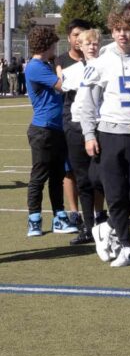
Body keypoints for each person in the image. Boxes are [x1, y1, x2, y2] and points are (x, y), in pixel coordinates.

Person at [79, 10, 130, 267]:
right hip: (110, 133)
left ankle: (108, 228)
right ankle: (126, 246)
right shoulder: (101, 62)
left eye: (128, 29)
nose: (123, 34)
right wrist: (89, 135)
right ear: (112, 32)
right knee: (115, 192)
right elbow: (88, 104)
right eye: (118, 30)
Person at [62, 28, 111, 251]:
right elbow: (68, 97)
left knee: (100, 177)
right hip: (76, 127)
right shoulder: (72, 71)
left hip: (101, 126)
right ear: (78, 46)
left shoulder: (107, 65)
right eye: (87, 43)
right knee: (82, 179)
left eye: (94, 43)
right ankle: (89, 227)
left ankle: (102, 219)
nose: (91, 46)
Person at [25, 26, 73, 237]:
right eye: (54, 43)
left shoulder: (44, 64)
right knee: (39, 176)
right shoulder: (35, 67)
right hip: (43, 129)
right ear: (47, 45)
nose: (56, 47)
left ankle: (59, 216)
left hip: (57, 128)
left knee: (57, 175)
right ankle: (34, 219)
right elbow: (62, 85)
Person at [56, 18, 92, 232]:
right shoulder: (61, 60)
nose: (79, 39)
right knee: (70, 171)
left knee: (93, 171)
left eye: (83, 34)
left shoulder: (96, 58)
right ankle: (73, 212)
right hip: (69, 121)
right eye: (75, 35)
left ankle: (98, 213)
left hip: (90, 123)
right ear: (69, 38)